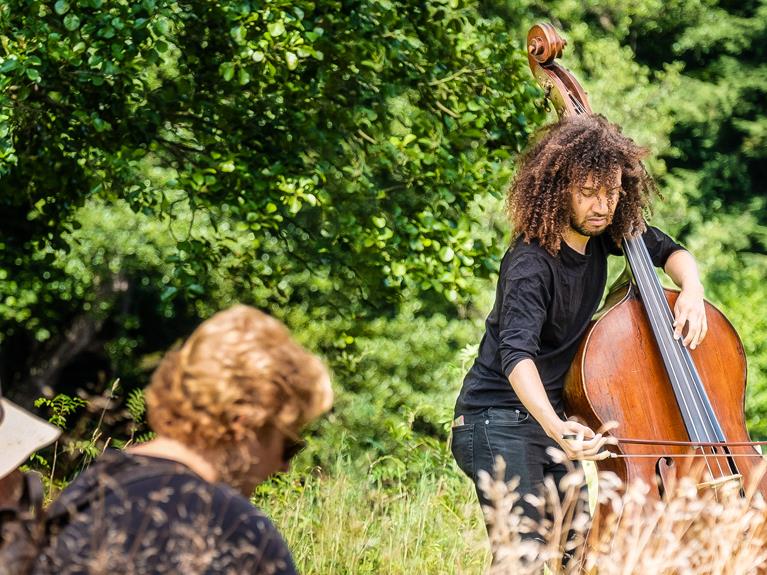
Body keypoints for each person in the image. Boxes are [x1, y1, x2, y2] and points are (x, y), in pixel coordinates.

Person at [450, 114, 707, 537]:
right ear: (558, 191)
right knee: (525, 553)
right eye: (588, 193)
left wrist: (692, 289)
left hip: (548, 420)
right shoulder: (530, 264)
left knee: (576, 552)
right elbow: (517, 356)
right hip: (494, 418)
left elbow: (670, 251)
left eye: (611, 193)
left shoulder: (607, 233)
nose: (602, 206)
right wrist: (557, 426)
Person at [35, 304, 333, 575]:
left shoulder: (90, 489)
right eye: (287, 445)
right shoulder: (237, 533)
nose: (284, 468)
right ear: (245, 422)